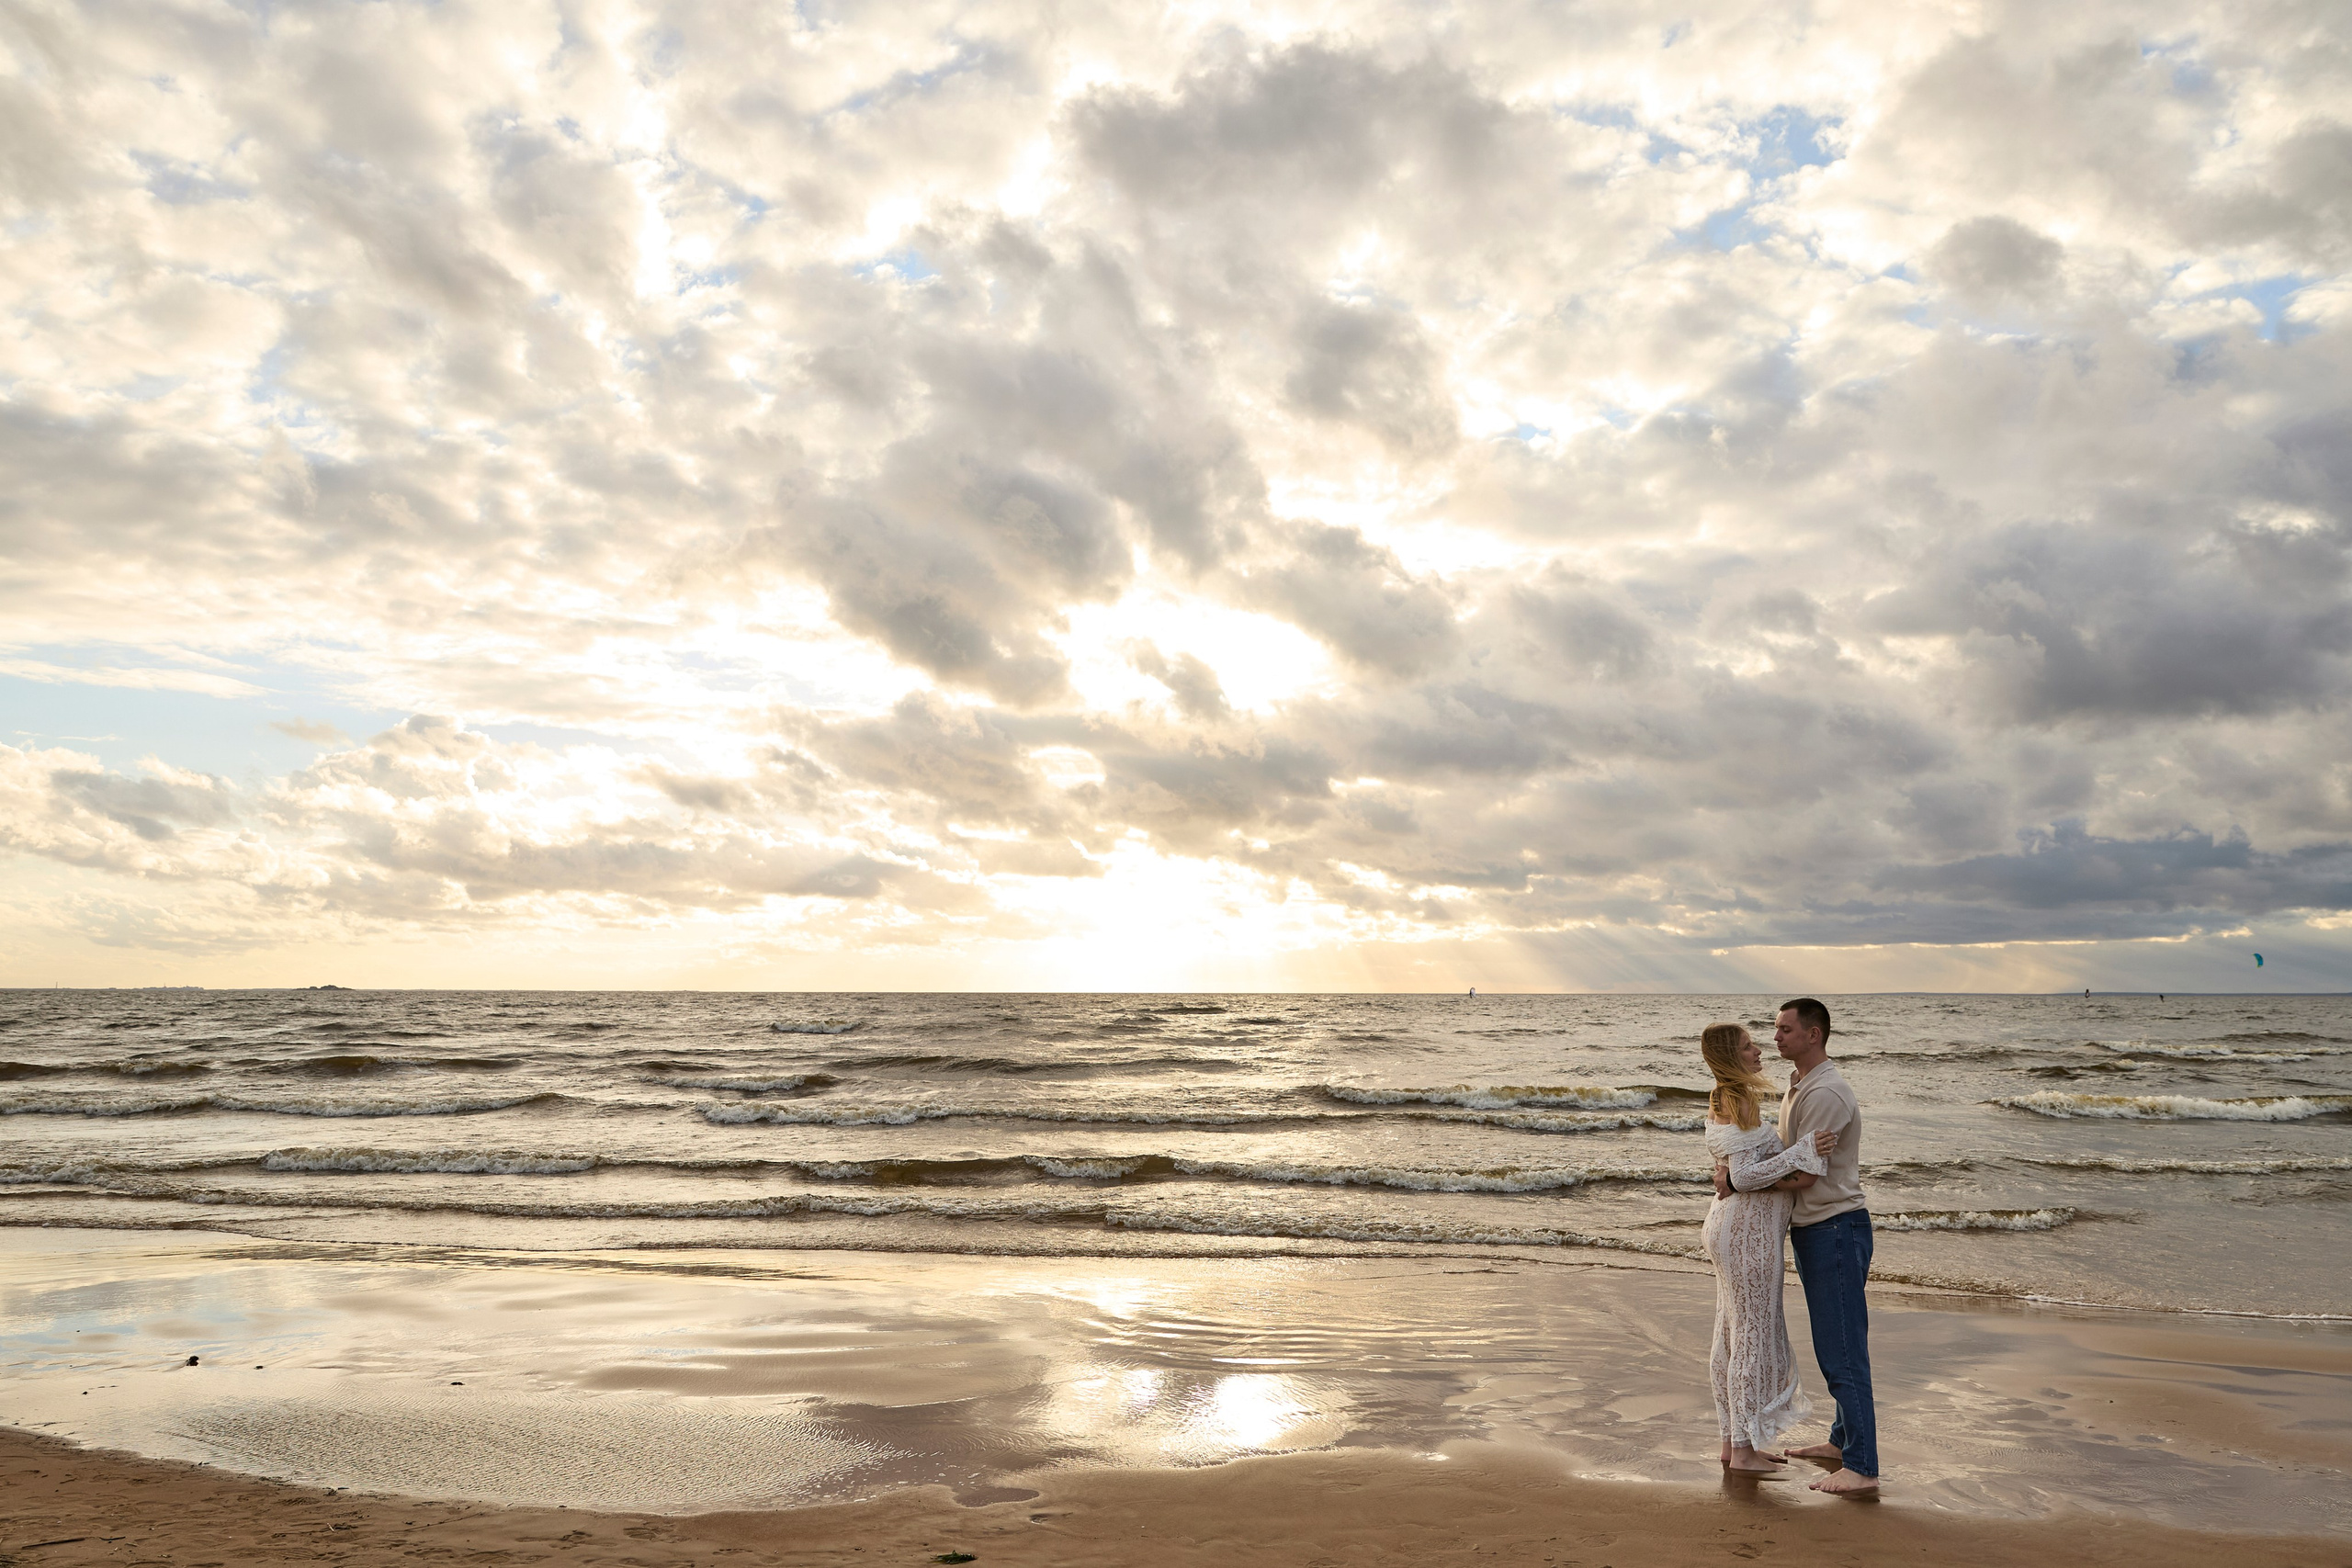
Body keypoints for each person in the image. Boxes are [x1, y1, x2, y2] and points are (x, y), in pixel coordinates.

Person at [1717, 998, 1878, 1495]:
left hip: (1835, 1227)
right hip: (1815, 1229)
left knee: (1843, 1351)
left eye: (1786, 1030)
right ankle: (1840, 1442)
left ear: (1814, 1035)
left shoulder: (1826, 1091)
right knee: (1835, 1345)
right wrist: (1734, 1169)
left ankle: (1863, 1467)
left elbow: (1805, 1173)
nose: (1776, 1038)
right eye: (1773, 1030)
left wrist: (1741, 1183)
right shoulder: (1798, 1086)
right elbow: (1782, 1157)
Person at [1699, 1022, 1837, 1475]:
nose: (1759, 1051)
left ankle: (1733, 1443)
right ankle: (1742, 1450)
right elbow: (1747, 1176)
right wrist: (1803, 1150)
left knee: (1731, 1334)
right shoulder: (1737, 1097)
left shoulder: (1726, 1095)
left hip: (1734, 1230)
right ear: (1729, 1056)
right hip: (1746, 1234)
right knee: (1751, 1337)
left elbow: (1740, 1172)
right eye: (1748, 1046)